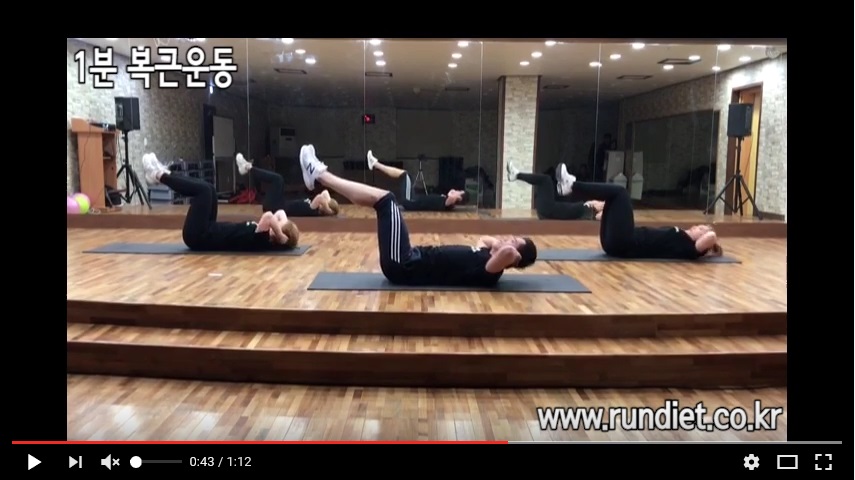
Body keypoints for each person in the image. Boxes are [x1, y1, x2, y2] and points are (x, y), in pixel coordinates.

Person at [298, 144, 538, 286]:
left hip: (404, 265)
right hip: (410, 257)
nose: (507, 239)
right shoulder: (487, 253)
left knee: (385, 200)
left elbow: (508, 253)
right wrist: (504, 244)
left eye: (514, 242)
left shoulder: (491, 273)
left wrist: (514, 252)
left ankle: (320, 175)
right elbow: (487, 240)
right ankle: (319, 176)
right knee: (385, 200)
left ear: (515, 258)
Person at [552, 163, 723, 260]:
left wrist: (710, 239)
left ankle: (572, 185)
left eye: (701, 229)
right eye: (700, 226)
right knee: (612, 197)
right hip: (613, 244)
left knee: (620, 192)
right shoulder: (683, 237)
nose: (696, 226)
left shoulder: (689, 248)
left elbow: (711, 237)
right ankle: (571, 187)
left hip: (624, 243)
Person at [141, 153, 300, 251]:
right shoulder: (268, 233)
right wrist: (285, 229)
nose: (279, 220)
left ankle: (158, 175)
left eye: (280, 224)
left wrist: (281, 236)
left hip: (198, 236)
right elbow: (280, 213)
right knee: (210, 189)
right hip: (208, 228)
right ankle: (165, 173)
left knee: (203, 191)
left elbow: (270, 216)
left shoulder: (263, 239)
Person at [235, 153, 339, 217]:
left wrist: (329, 209)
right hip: (278, 204)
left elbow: (321, 197)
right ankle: (248, 168)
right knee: (279, 179)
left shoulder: (314, 209)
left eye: (326, 202)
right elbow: (325, 193)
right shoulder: (316, 205)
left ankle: (248, 167)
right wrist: (329, 203)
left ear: (325, 208)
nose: (325, 200)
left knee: (278, 179)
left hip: (274, 208)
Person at [366, 150, 468, 211]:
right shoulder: (447, 201)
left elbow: (452, 196)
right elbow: (451, 194)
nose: (456, 191)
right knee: (406, 176)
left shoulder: (449, 203)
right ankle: (375, 164)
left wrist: (456, 194)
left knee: (405, 175)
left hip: (410, 201)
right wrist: (455, 192)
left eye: (459, 192)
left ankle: (375, 164)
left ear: (459, 198)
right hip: (412, 199)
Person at [505, 161, 597, 220]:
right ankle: (567, 185)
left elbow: (598, 215)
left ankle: (517, 175)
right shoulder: (587, 209)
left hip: (548, 210)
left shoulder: (590, 212)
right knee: (550, 184)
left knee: (546, 180)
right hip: (551, 209)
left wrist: (594, 206)